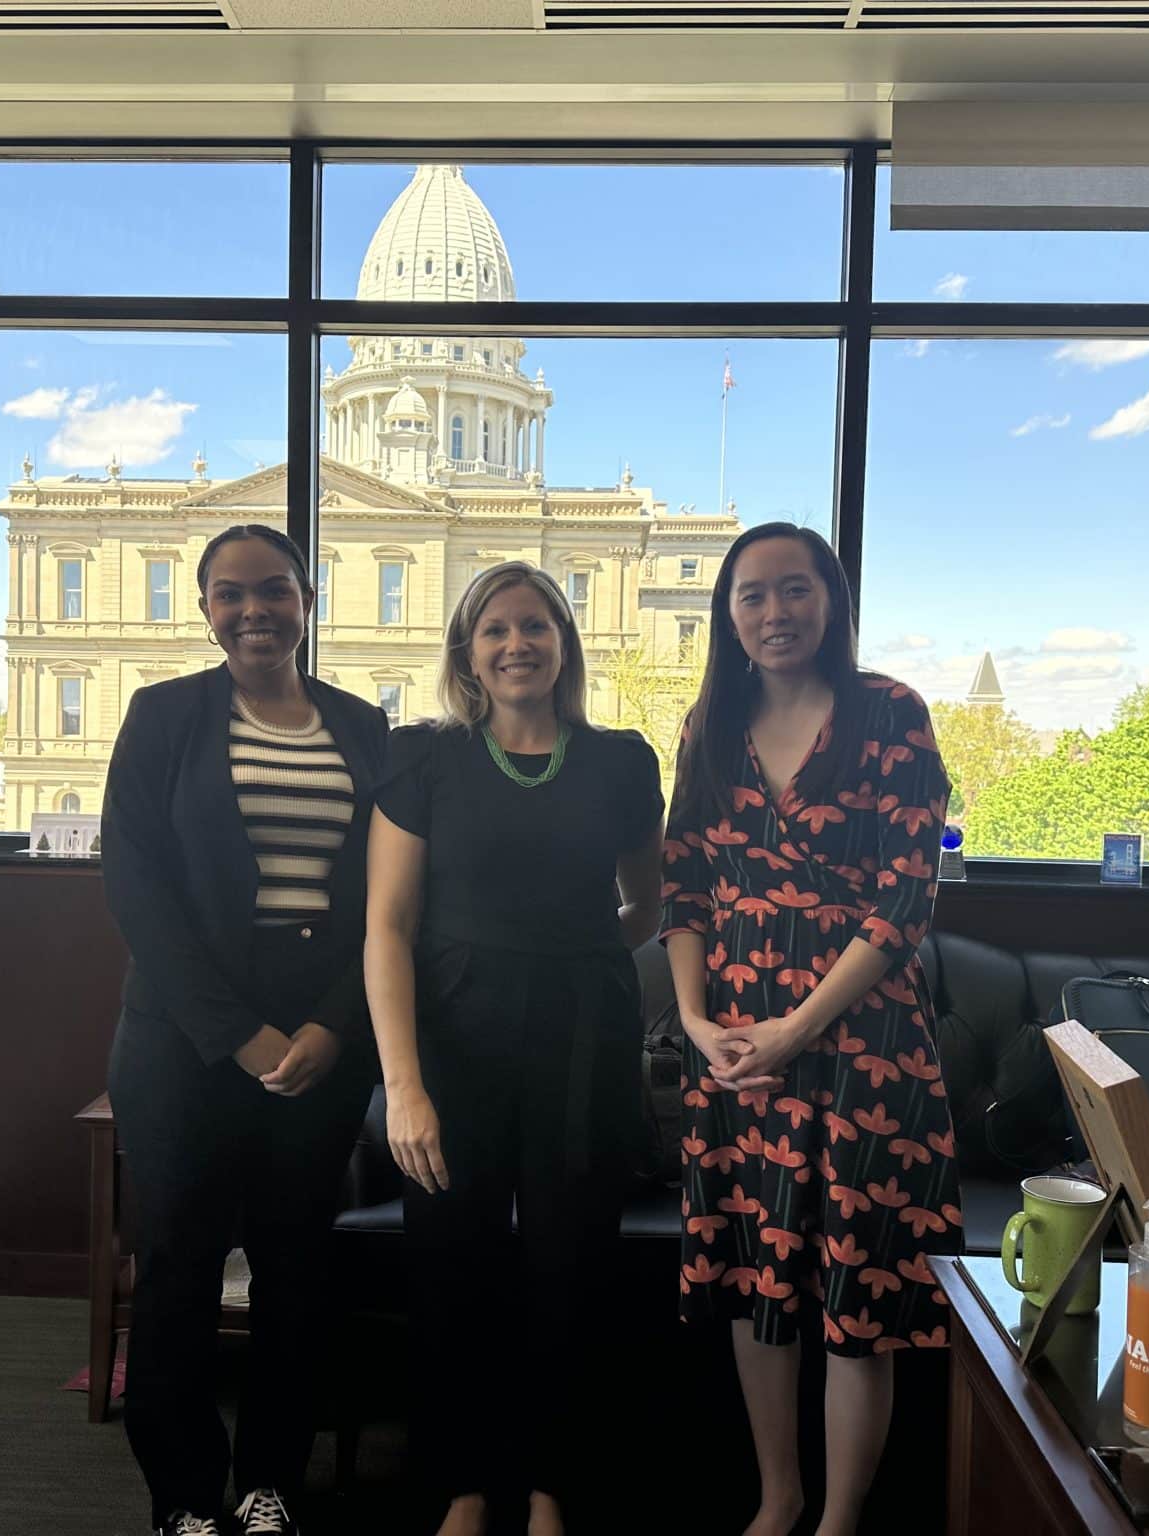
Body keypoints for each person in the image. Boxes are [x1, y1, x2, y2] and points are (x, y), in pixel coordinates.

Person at [661, 522, 958, 1536]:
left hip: (864, 1050)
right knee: (758, 1284)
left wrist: (797, 1027)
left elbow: (905, 901)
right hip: (738, 1056)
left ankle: (838, 1520)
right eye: (751, 594)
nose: (774, 612)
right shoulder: (708, 724)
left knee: (853, 1300)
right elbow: (683, 887)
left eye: (794, 589)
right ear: (727, 614)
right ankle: (778, 1498)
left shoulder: (889, 712)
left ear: (829, 599)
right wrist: (695, 1021)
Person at [363, 561, 665, 1536]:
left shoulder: (621, 761)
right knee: (451, 1262)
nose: (516, 644)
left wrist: (573, 954)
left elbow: (647, 903)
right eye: (494, 629)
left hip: (584, 1040)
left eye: (535, 625)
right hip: (453, 1041)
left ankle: (547, 1486)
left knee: (569, 1264)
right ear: (467, 652)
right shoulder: (422, 757)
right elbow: (386, 926)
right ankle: (462, 1483)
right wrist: (402, 1087)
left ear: (563, 644)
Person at [102, 524, 389, 1536]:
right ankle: (183, 1497)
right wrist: (239, 1035)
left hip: (321, 1036)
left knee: (295, 1270)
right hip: (183, 1038)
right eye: (230, 593)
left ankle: (270, 1485)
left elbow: (385, 897)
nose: (253, 610)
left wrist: (331, 1025)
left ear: (307, 599)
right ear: (205, 609)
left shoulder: (363, 726)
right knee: (178, 1269)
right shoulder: (164, 715)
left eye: (274, 589)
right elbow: (136, 886)